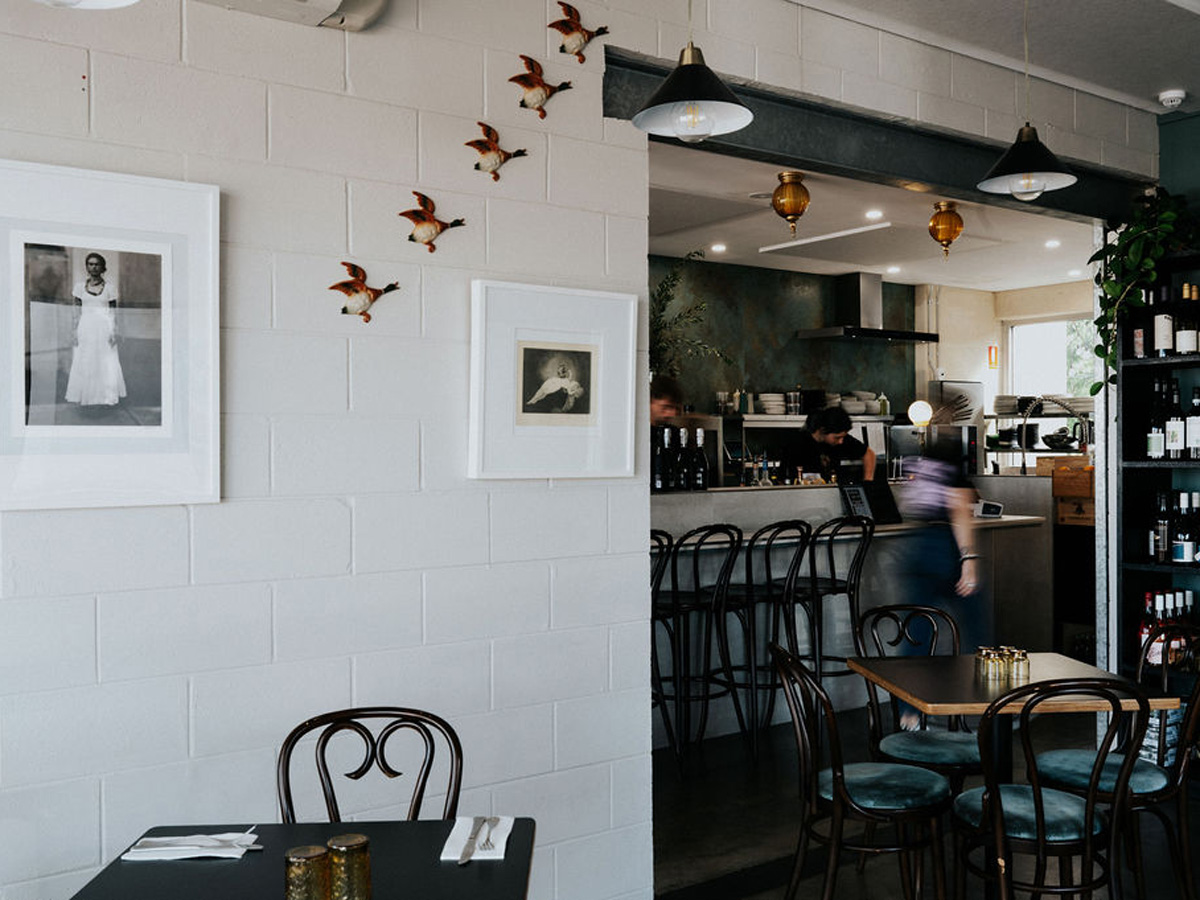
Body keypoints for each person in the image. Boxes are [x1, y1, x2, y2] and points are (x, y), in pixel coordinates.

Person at [893, 429, 981, 729]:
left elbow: (908, 506)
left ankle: (910, 712)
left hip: (918, 549)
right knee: (979, 630)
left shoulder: (919, 468)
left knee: (917, 634)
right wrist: (968, 561)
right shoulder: (954, 472)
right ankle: (988, 706)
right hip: (945, 551)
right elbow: (960, 514)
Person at [65, 252, 127, 408]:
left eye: (97, 264)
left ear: (103, 267)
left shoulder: (110, 288)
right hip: (85, 327)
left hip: (104, 328)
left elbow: (113, 312)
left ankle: (105, 397)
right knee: (85, 359)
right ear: (87, 267)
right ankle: (87, 397)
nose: (93, 267)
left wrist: (114, 331)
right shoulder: (79, 287)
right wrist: (74, 331)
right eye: (90, 264)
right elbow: (76, 312)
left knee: (105, 361)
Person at [785, 407, 876, 483]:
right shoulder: (798, 444)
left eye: (843, 437)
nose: (841, 441)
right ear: (822, 430)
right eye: (837, 437)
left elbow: (868, 453)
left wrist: (868, 481)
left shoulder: (840, 439)